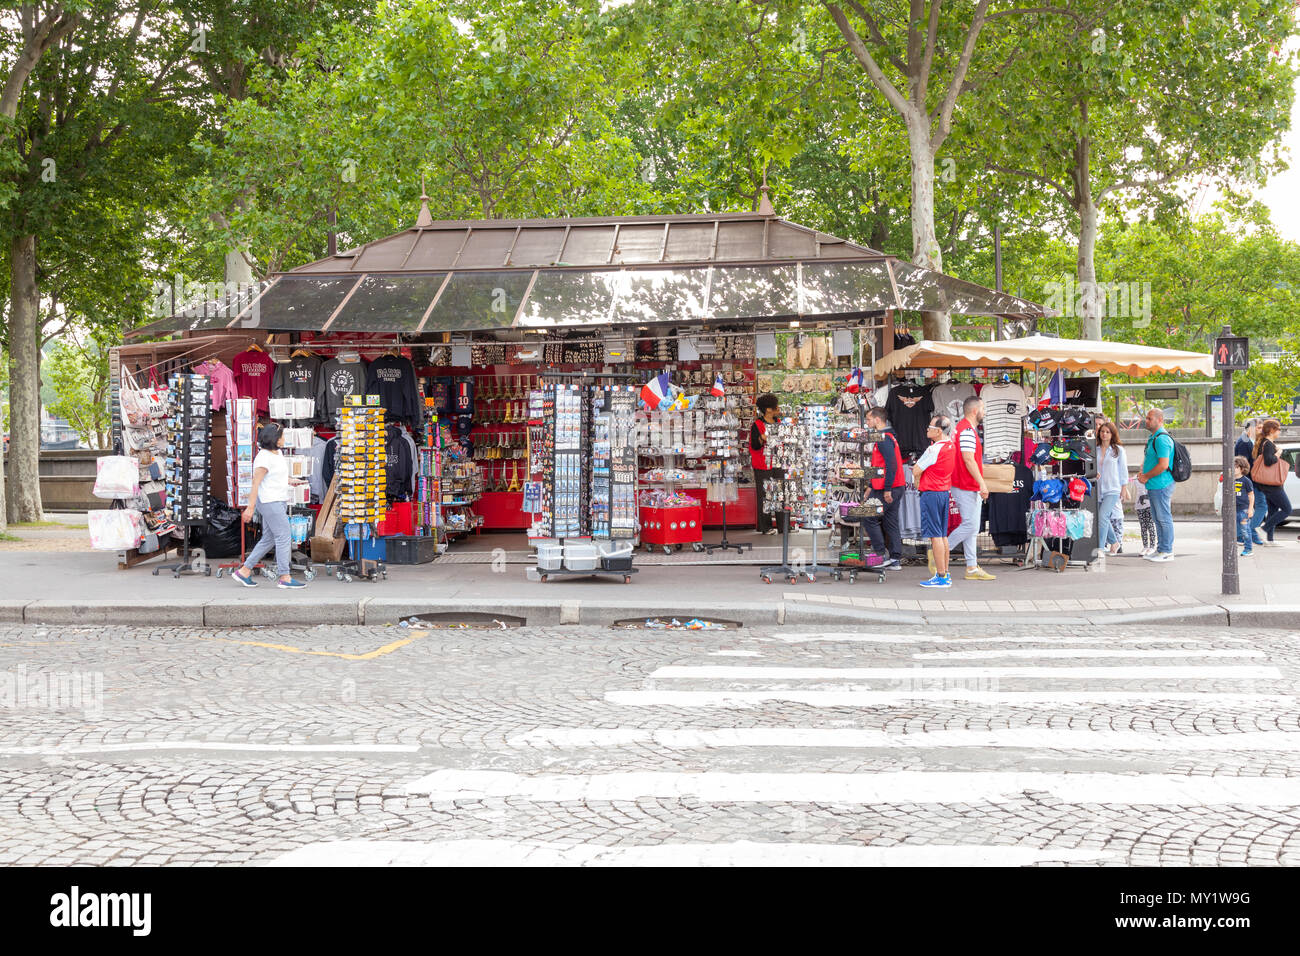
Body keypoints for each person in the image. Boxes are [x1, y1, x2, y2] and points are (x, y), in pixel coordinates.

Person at [231, 423, 306, 589]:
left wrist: (290, 481)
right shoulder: (263, 458)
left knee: (269, 538)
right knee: (284, 535)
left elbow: (275, 476)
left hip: (277, 499)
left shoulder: (277, 453)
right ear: (275, 439)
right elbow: (255, 483)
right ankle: (285, 577)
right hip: (269, 501)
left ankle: (244, 570)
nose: (284, 439)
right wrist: (250, 508)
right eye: (282, 436)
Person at [947, 396, 995, 580]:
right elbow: (968, 459)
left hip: (963, 483)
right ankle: (940, 551)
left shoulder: (962, 428)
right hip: (966, 484)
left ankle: (972, 567)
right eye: (983, 408)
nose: (985, 412)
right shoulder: (967, 430)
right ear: (975, 411)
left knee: (972, 528)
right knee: (970, 525)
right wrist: (982, 483)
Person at [914, 414, 956, 588]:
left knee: (935, 536)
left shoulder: (934, 449)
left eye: (930, 427)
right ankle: (944, 572)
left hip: (931, 493)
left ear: (938, 431)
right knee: (942, 534)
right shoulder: (951, 445)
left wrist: (918, 484)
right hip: (944, 492)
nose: (927, 429)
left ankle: (941, 576)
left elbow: (916, 470)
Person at [864, 406, 904, 570]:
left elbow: (891, 464)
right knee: (890, 522)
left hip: (889, 488)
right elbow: (879, 465)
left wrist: (887, 489)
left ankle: (880, 554)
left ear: (877, 420)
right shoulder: (888, 436)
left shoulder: (883, 438)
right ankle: (895, 559)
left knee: (868, 516)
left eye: (868, 419)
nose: (867, 422)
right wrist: (869, 486)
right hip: (892, 486)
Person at [1136, 408, 1175, 562]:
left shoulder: (1161, 439)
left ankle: (1167, 551)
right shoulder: (1154, 438)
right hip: (1155, 485)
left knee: (1163, 518)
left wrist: (1146, 476)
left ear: (1159, 420)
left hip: (1161, 485)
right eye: (1146, 418)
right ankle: (1161, 550)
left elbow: (1163, 465)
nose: (1146, 421)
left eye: (1149, 418)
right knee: (1158, 518)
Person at [1252, 418, 1292, 546]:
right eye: (1278, 429)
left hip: (1266, 484)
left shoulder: (1264, 442)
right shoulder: (1268, 444)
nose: (1279, 431)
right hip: (1272, 485)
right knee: (1287, 509)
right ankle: (1263, 529)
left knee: (1273, 510)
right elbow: (1268, 461)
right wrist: (1279, 453)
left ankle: (1270, 540)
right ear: (1271, 430)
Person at [751, 393, 786, 535]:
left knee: (780, 494)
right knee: (765, 496)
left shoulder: (779, 423)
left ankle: (783, 525)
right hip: (762, 465)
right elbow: (754, 445)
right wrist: (762, 438)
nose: (778, 408)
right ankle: (766, 527)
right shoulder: (757, 425)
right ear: (768, 409)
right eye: (775, 406)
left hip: (778, 463)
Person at [1095, 420, 1130, 555]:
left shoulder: (1118, 450)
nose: (1104, 434)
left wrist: (1124, 488)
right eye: (1102, 431)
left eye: (1107, 432)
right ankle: (1114, 542)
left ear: (1112, 434)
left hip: (1112, 489)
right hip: (1098, 489)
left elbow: (1123, 471)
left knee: (1103, 516)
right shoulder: (1095, 449)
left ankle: (1100, 548)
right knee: (1101, 517)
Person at [1236, 418, 1267, 546]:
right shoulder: (1244, 442)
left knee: (1244, 510)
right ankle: (1250, 532)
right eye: (1259, 428)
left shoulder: (1252, 441)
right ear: (1251, 428)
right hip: (1250, 481)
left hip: (1252, 480)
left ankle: (1242, 535)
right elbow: (1242, 464)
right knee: (1261, 506)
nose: (1261, 430)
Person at [1234, 455, 1255, 557]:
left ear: (1242, 469)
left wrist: (1250, 509)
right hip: (1233, 509)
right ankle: (1233, 548)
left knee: (1245, 530)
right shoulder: (1230, 480)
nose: (1234, 469)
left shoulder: (1246, 481)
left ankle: (1248, 549)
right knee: (1233, 531)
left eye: (1236, 467)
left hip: (1243, 510)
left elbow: (1251, 495)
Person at [1134, 480, 1157, 556]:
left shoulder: (1150, 478)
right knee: (1143, 527)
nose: (1142, 468)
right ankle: (1145, 547)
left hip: (1149, 506)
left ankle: (1152, 546)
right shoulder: (1136, 480)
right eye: (1141, 467)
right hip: (1139, 507)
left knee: (1150, 525)